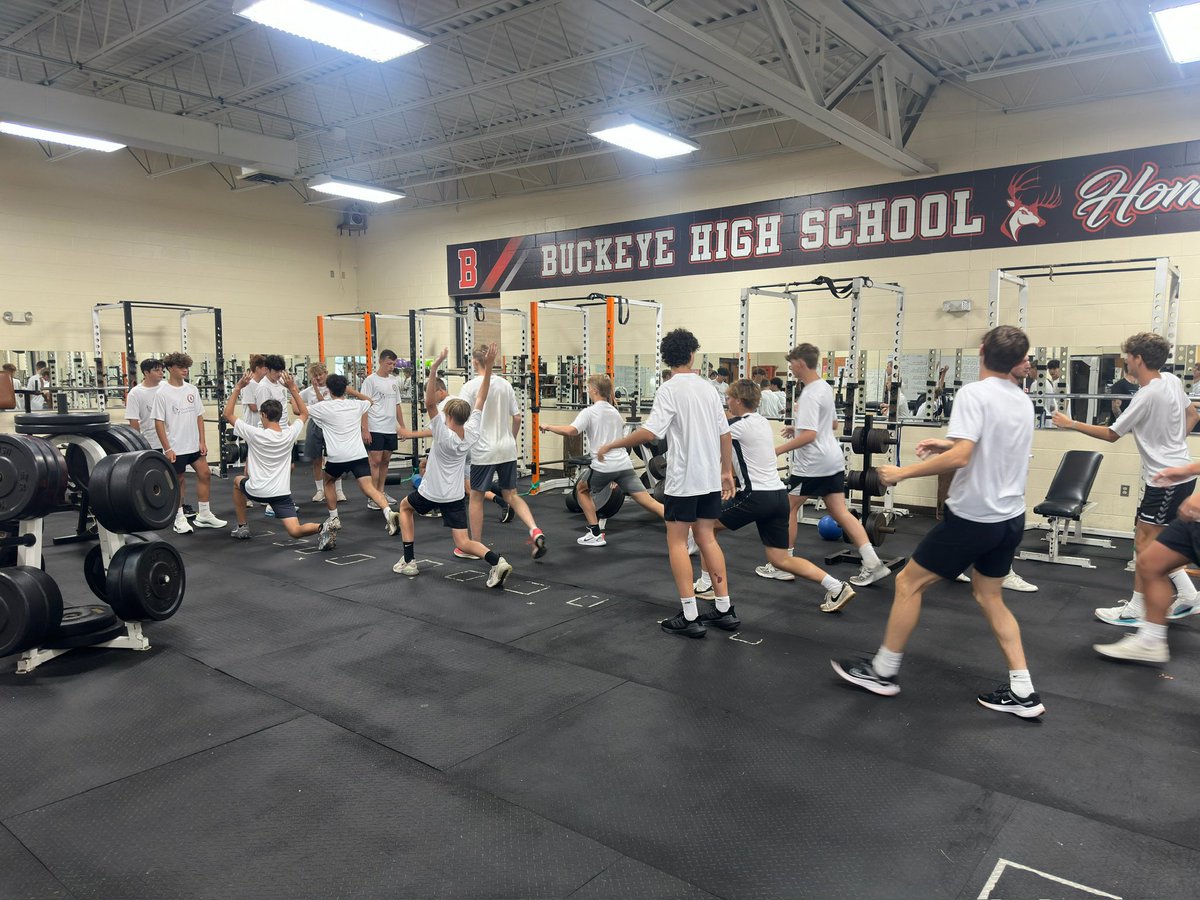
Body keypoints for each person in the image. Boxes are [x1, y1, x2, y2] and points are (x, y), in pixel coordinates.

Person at [832, 325, 1044, 718]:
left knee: (908, 583)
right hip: (1010, 518)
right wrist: (945, 443)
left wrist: (904, 473)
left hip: (973, 519)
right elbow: (985, 445)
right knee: (989, 596)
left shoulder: (974, 393)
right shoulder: (1020, 399)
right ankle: (1024, 692)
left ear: (981, 351)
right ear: (1018, 361)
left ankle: (882, 671)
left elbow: (964, 457)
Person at [1053, 332, 1200, 626]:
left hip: (1165, 481)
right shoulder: (1170, 380)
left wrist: (1071, 424)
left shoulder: (1148, 394)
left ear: (1138, 360)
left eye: (1128, 357)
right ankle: (1188, 596)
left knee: (1145, 544)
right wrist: (1172, 443)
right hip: (1178, 473)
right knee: (1161, 541)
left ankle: (1136, 608)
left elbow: (1111, 434)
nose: (1125, 362)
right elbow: (1193, 415)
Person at [597, 328, 735, 639]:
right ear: (691, 355)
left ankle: (690, 615)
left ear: (667, 358)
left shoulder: (669, 390)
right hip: (709, 479)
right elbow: (724, 434)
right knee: (707, 539)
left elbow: (649, 433)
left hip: (685, 481)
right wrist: (726, 472)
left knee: (677, 543)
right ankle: (725, 609)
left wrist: (613, 444)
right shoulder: (709, 389)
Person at [693, 379, 854, 614]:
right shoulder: (760, 421)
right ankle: (836, 586)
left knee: (704, 529)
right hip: (778, 496)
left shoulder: (736, 426)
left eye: (728, 398)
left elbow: (710, 432)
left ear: (738, 400)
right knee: (781, 560)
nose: (726, 402)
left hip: (755, 496)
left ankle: (707, 584)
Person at [766, 343, 891, 588]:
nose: (790, 367)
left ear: (801, 363)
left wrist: (777, 450)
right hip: (831, 460)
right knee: (839, 511)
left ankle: (783, 564)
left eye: (791, 363)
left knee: (787, 509)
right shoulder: (824, 387)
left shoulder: (811, 393)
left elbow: (810, 435)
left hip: (812, 464)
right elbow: (832, 424)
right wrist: (798, 427)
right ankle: (873, 562)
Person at [394, 345, 512, 588]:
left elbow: (429, 403)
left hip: (432, 492)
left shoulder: (443, 434)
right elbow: (482, 395)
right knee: (463, 541)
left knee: (404, 508)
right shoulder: (471, 430)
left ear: (447, 416)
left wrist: (434, 367)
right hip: (455, 495)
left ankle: (409, 561)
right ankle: (497, 561)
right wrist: (489, 366)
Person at [539, 374, 664, 546]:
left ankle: (595, 533)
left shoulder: (589, 412)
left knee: (581, 490)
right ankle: (683, 526)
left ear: (595, 390)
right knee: (648, 501)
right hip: (623, 465)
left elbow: (572, 431)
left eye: (589, 388)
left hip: (604, 465)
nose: (588, 391)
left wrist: (549, 426)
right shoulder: (615, 412)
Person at [224, 371, 334, 549]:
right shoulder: (289, 434)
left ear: (264, 416)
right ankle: (322, 527)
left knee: (237, 482)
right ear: (279, 415)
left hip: (258, 491)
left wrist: (238, 388)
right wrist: (293, 389)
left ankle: (242, 526)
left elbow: (227, 414)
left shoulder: (255, 434)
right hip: (281, 494)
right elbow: (304, 414)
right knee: (295, 531)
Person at [460, 344, 546, 558]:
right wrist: (511, 440)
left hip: (483, 450)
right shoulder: (505, 384)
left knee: (476, 497)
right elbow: (517, 417)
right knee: (512, 495)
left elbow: (460, 418)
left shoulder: (469, 387)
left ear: (474, 362)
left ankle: (476, 547)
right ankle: (535, 530)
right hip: (507, 448)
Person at [306, 373, 398, 533]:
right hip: (358, 455)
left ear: (329, 389)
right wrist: (352, 391)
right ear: (345, 389)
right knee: (369, 487)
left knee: (328, 482)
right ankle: (388, 512)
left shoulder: (323, 407)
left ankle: (334, 518)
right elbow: (370, 401)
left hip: (337, 457)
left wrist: (292, 390)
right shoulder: (356, 405)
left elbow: (299, 410)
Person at [152, 352, 227, 534]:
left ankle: (204, 515)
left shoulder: (192, 390)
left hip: (193, 444)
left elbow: (199, 416)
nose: (185, 370)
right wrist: (167, 448)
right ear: (170, 369)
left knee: (205, 473)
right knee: (179, 481)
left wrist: (202, 440)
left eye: (187, 367)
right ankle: (179, 518)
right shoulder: (162, 393)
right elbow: (158, 422)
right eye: (181, 367)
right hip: (176, 446)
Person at [362, 349, 403, 510]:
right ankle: (373, 497)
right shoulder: (370, 381)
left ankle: (381, 492)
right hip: (375, 426)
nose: (391, 367)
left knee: (386, 461)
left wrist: (402, 426)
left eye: (393, 364)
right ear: (380, 361)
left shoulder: (394, 381)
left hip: (390, 427)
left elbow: (397, 405)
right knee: (375, 461)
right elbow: (364, 406)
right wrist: (365, 429)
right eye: (389, 363)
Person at [300, 363, 346, 504]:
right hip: (315, 424)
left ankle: (338, 490)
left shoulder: (332, 389)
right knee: (316, 459)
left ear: (326, 373)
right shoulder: (308, 391)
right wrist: (301, 411)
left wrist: (315, 389)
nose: (318, 378)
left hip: (330, 425)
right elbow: (295, 400)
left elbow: (324, 405)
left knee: (335, 457)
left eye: (321, 374)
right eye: (315, 375)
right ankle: (320, 490)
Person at [124, 358, 165, 449]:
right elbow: (133, 421)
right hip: (152, 443)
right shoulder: (135, 393)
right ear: (146, 373)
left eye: (162, 370)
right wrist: (139, 445)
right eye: (156, 370)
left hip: (173, 441)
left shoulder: (167, 387)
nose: (161, 373)